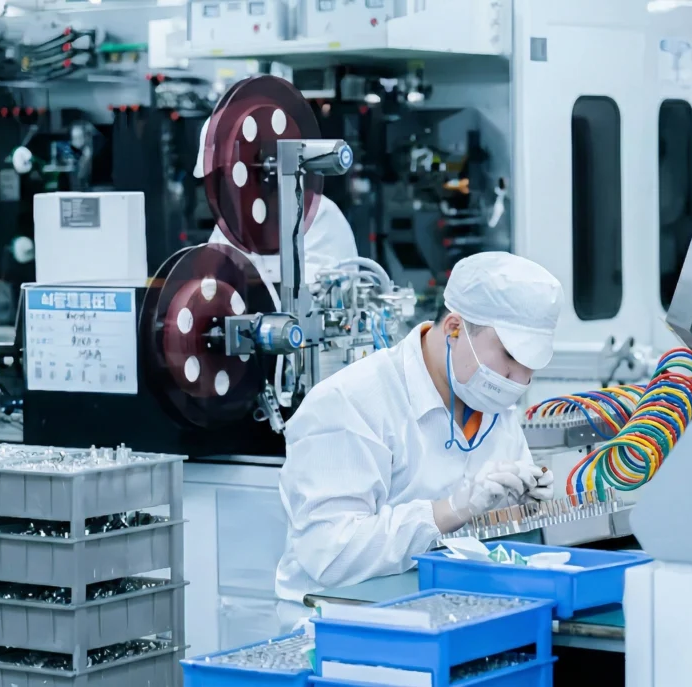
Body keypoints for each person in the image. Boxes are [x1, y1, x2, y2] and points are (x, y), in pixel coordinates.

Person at [275, 251, 563, 601]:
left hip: (453, 609)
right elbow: (329, 555)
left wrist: (522, 507)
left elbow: (493, 545)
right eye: (511, 358)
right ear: (455, 328)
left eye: (531, 367)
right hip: (342, 622)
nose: (519, 380)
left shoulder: (494, 405)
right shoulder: (351, 402)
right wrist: (450, 511)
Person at [192, 119, 358, 286]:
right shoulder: (230, 224)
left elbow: (323, 293)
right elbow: (210, 283)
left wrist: (252, 277)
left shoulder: (321, 216)